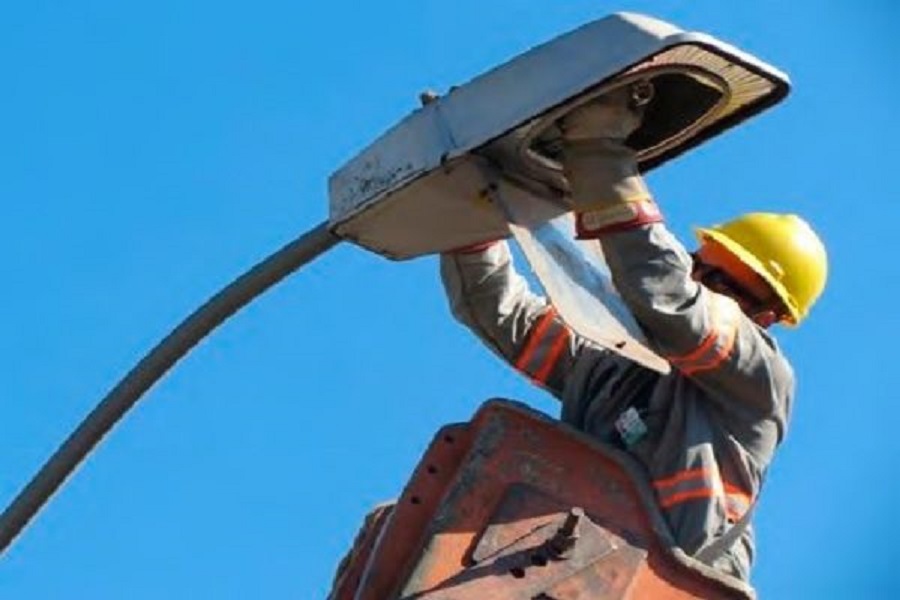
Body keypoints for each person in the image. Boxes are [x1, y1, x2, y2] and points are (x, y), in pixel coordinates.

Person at [439, 83, 828, 580]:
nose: (698, 282)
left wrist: (598, 147)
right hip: (577, 573)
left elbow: (664, 295)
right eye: (697, 266)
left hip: (673, 582)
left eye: (722, 282)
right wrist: (468, 214)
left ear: (768, 316)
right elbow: (498, 313)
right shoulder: (614, 366)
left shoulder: (759, 379)